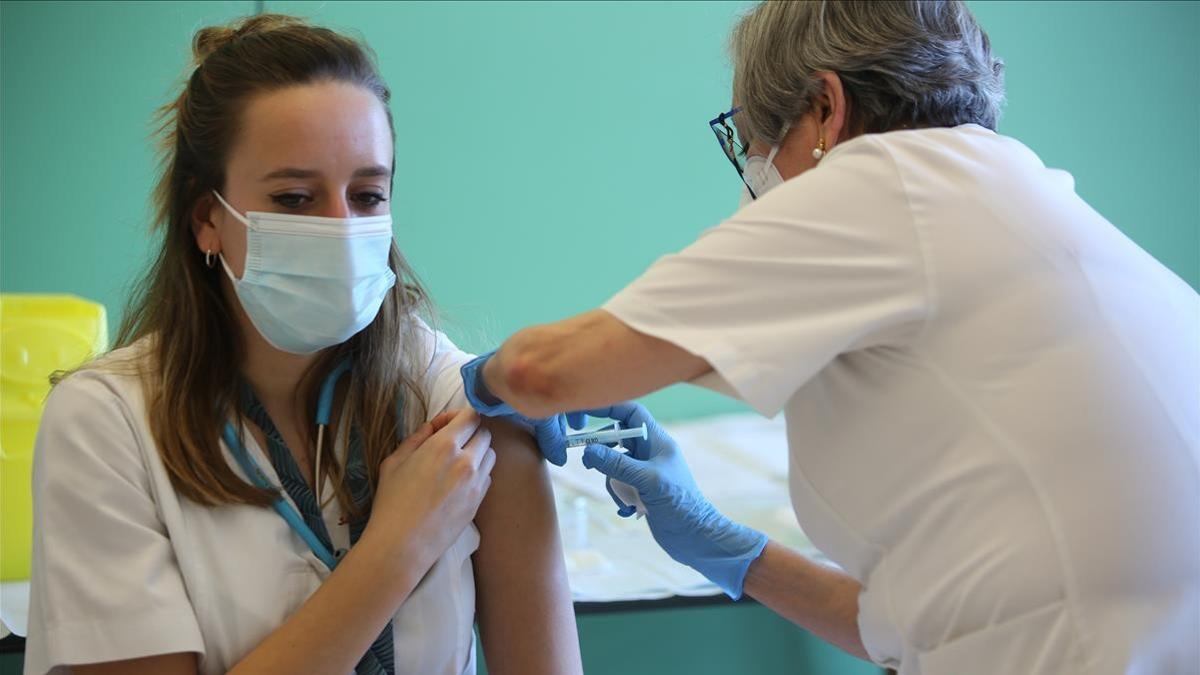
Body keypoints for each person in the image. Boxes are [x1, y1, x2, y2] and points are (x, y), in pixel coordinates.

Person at [460, 1, 1200, 673]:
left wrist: (475, 377)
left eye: (750, 142)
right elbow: (902, 630)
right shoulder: (1026, 205)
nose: (751, 175)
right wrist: (732, 550)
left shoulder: (885, 182)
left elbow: (543, 371)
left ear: (824, 107)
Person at [23, 15, 582, 675]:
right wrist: (397, 547)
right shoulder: (107, 424)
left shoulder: (457, 402)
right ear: (207, 219)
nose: (341, 230)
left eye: (368, 194)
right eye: (294, 198)